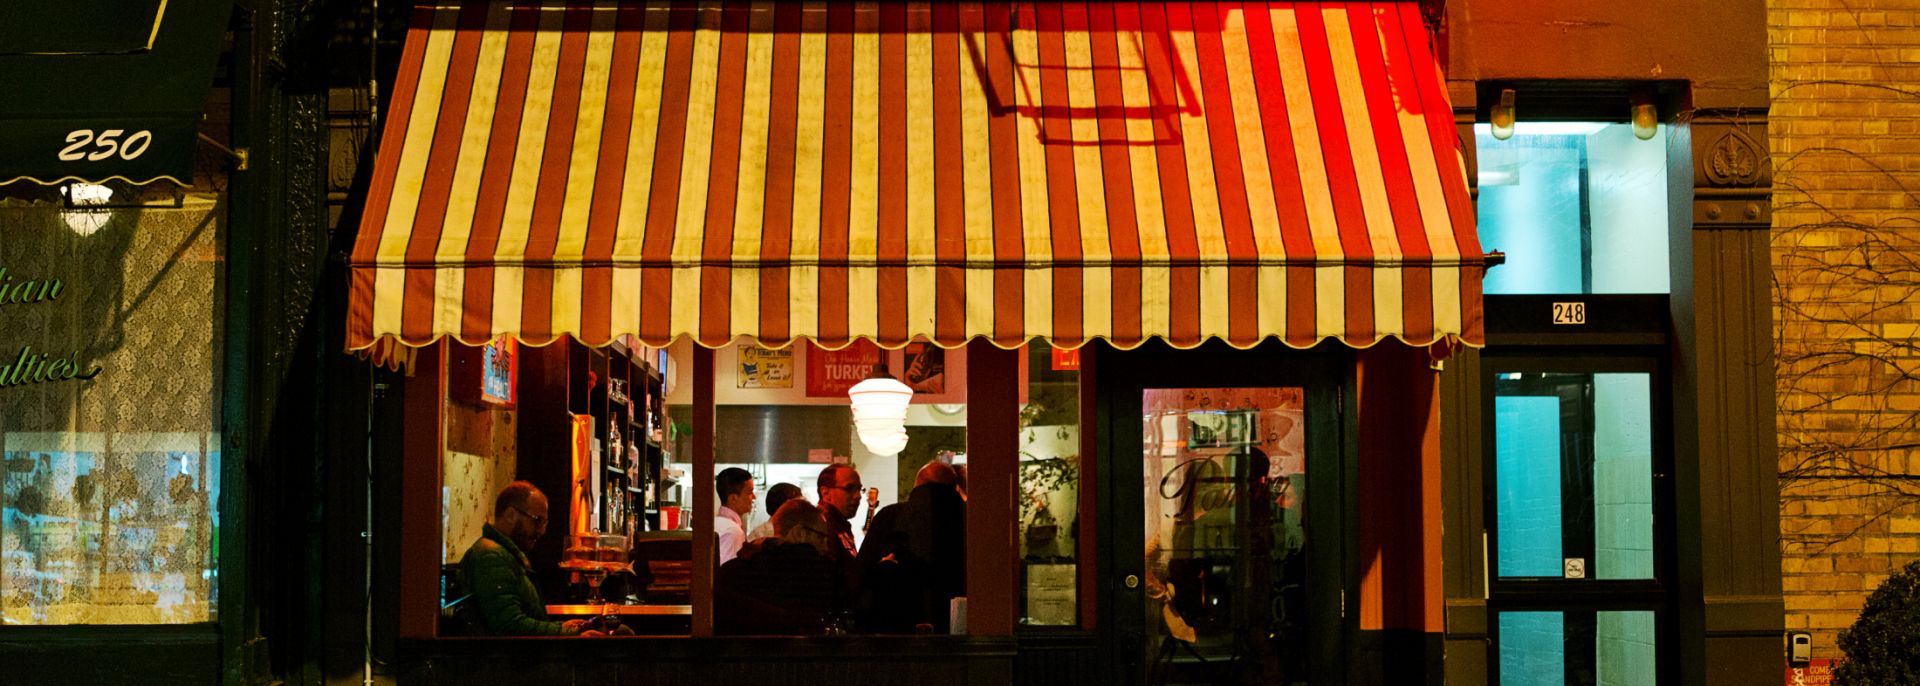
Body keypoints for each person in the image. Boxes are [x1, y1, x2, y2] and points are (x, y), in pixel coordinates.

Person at [457, 481, 601, 636]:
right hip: (504, 659)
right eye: (537, 520)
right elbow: (510, 626)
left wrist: (563, 627)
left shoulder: (503, 553)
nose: (542, 531)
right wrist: (563, 631)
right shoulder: (491, 557)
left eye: (544, 523)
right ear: (510, 515)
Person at [856, 461, 966, 632]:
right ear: (954, 487)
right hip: (958, 623)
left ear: (917, 485)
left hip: (899, 625)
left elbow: (863, 574)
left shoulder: (891, 516)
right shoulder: (968, 519)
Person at [714, 500, 851, 634]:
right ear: (799, 533)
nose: (825, 547)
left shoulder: (731, 572)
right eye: (821, 538)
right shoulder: (821, 574)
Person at [815, 463, 863, 561]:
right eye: (849, 488)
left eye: (859, 489)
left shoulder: (838, 524)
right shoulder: (820, 527)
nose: (858, 496)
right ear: (825, 493)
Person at [715, 467, 755, 565]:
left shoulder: (714, 522)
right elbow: (727, 572)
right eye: (749, 493)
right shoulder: (732, 532)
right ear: (733, 498)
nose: (754, 497)